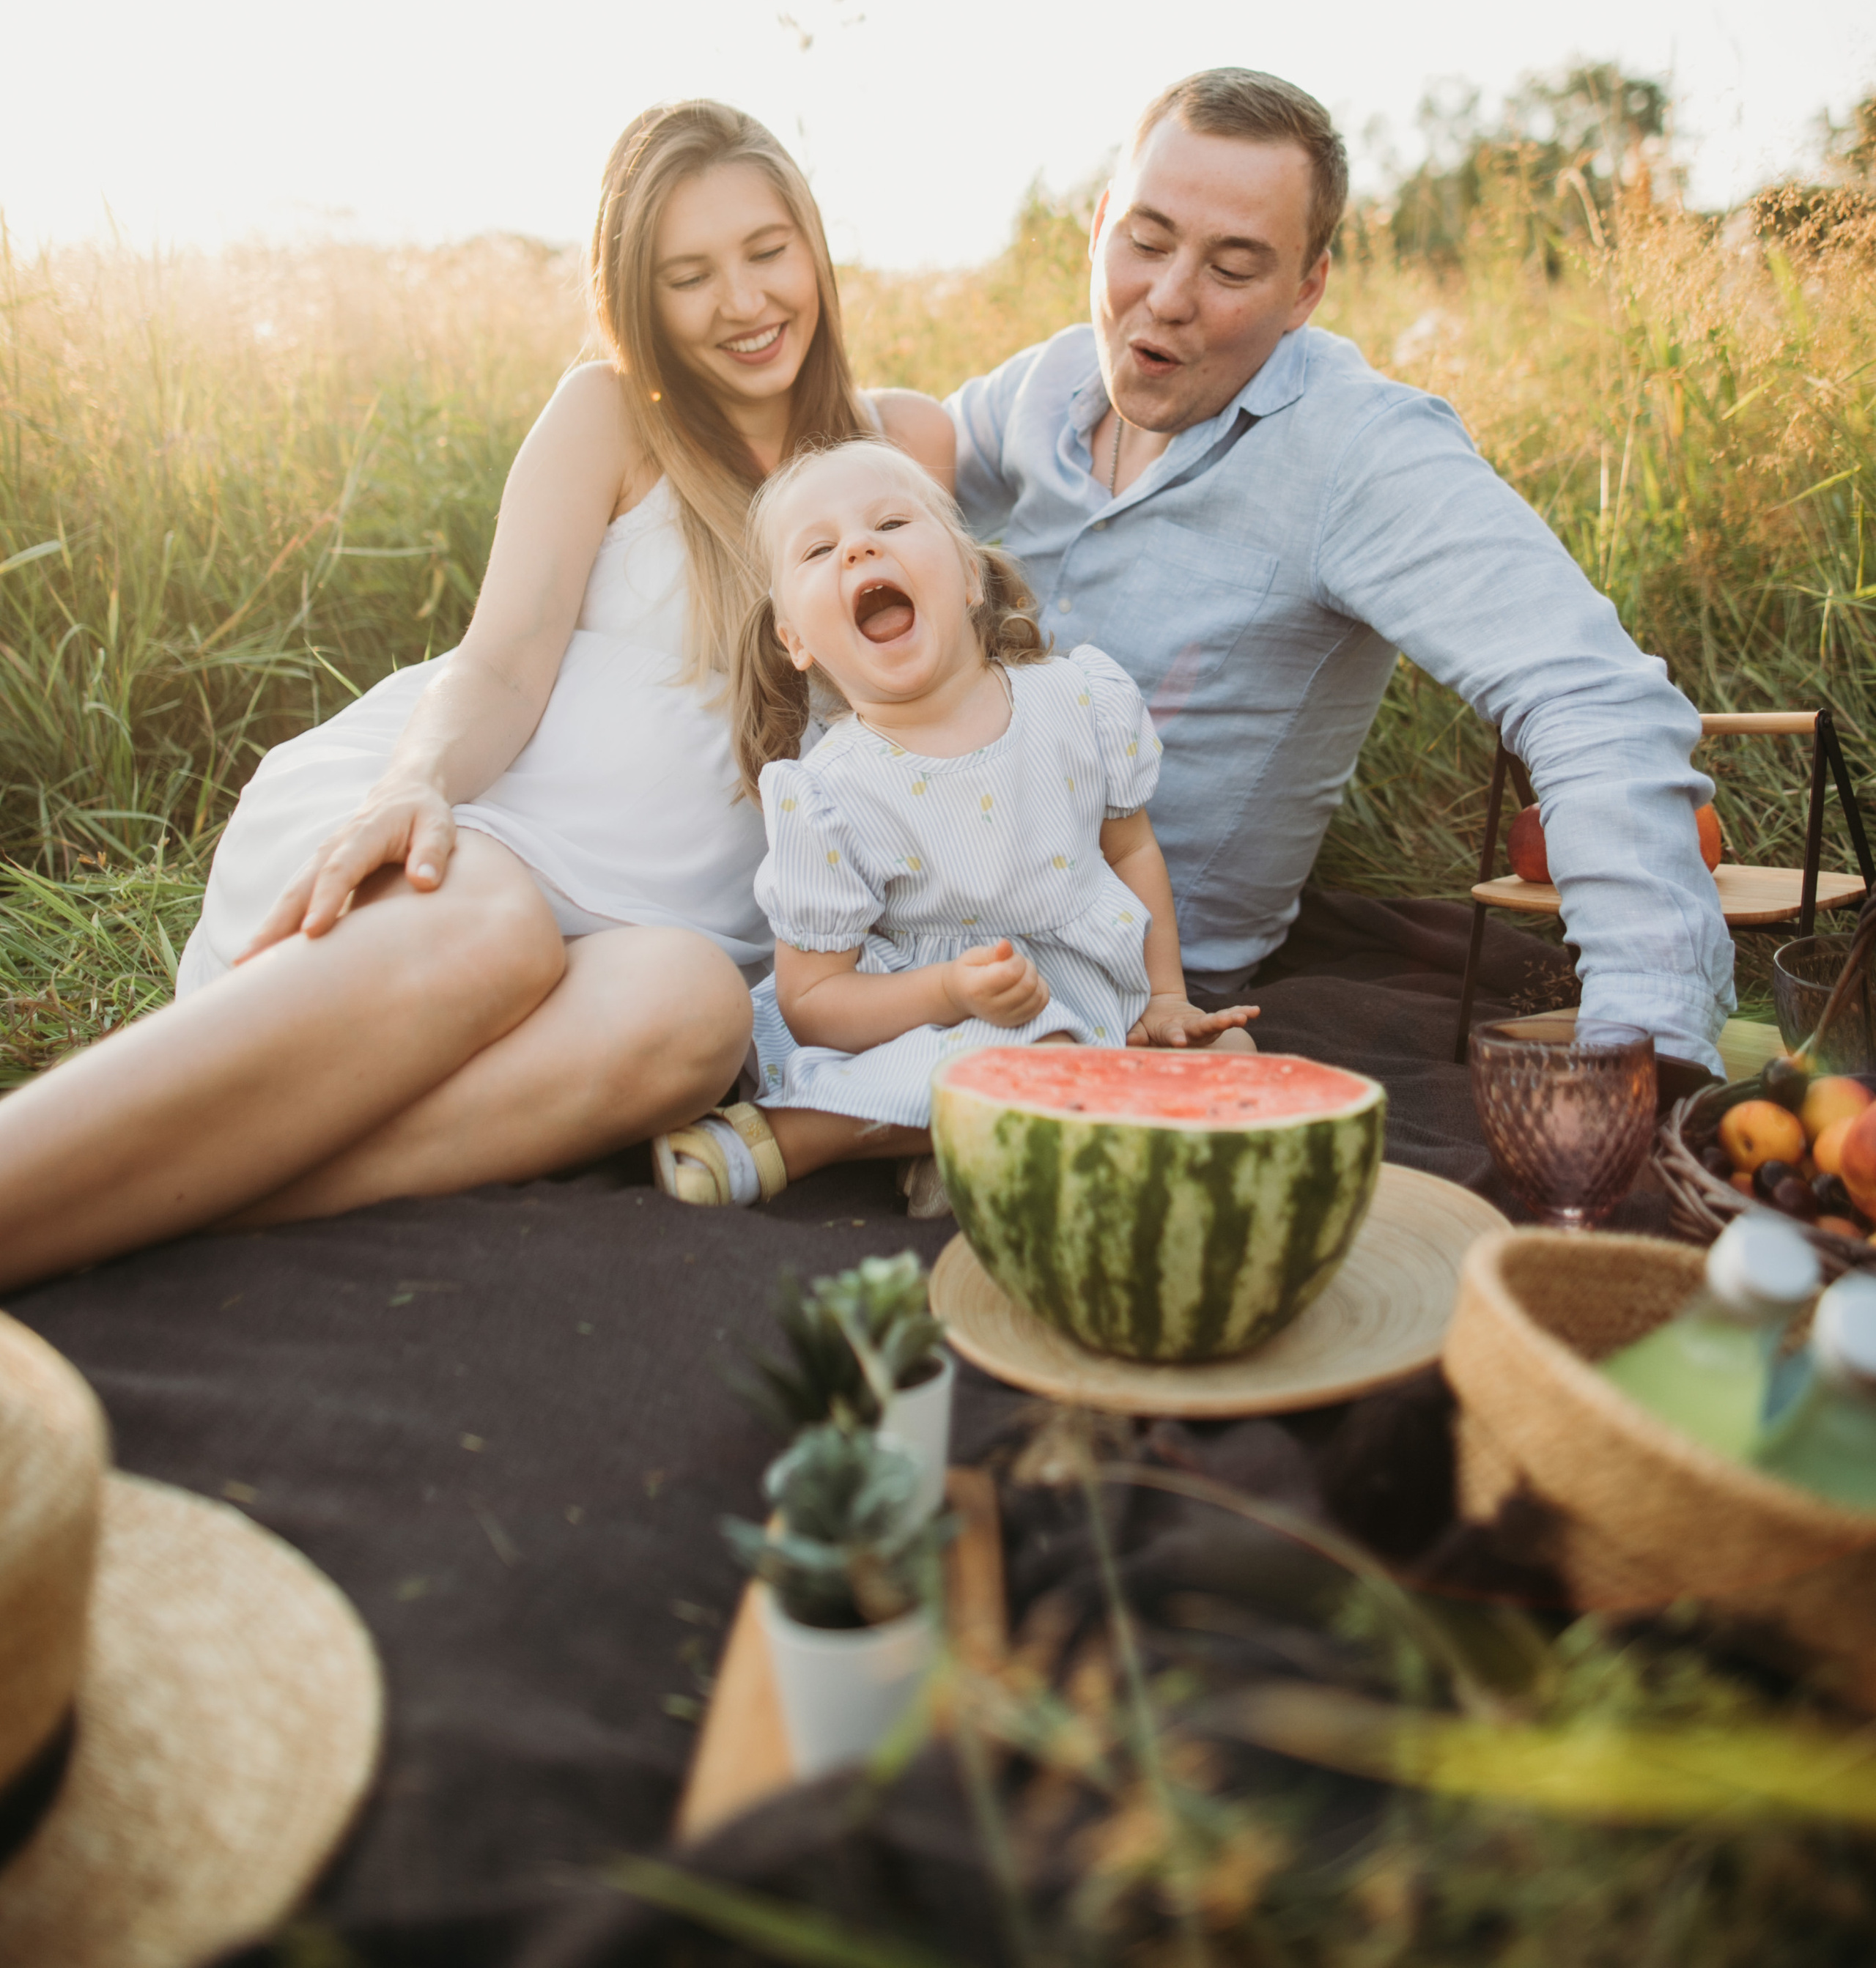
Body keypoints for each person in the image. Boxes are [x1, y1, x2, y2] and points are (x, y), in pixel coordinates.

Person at [0, 103, 948, 1292]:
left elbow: (941, 695)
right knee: (492, 926)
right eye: (689, 274)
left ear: (812, 244)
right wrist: (416, 787)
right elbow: (499, 664)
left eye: (766, 252)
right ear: (637, 296)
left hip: (663, 936)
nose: (745, 303)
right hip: (494, 819)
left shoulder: (905, 445)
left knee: (698, 1018)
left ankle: (184, 1206)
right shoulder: (608, 415)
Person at [930, 67, 1735, 1083]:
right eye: (1145, 239)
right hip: (908, 919)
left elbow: (1588, 696)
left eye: (1233, 268)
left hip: (1126, 995)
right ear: (1099, 226)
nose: (1168, 298)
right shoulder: (1051, 385)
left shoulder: (1360, 451)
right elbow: (881, 464)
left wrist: (1646, 1046)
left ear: (1305, 289)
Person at [652, 439, 1255, 1205]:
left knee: (1234, 1051)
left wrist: (1167, 998)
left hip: (1097, 1000)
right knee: (1039, 1063)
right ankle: (803, 1139)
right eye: (818, 549)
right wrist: (951, 993)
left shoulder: (1076, 701)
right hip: (922, 1024)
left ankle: (973, 1144)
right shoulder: (833, 795)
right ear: (794, 640)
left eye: (892, 522)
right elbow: (812, 1004)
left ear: (970, 575)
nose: (859, 547)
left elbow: (1132, 851)